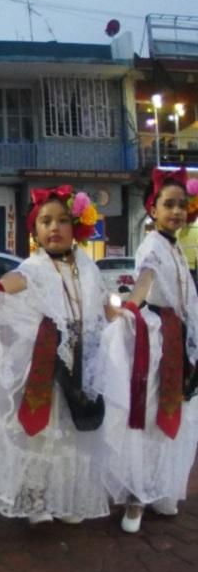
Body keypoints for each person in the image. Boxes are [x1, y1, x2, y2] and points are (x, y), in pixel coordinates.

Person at [0, 186, 114, 524]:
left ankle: (66, 498)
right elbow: (13, 282)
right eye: (45, 221)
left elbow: (101, 303)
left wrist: (122, 315)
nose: (54, 228)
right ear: (36, 230)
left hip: (82, 361)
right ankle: (37, 500)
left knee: (74, 434)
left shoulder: (88, 268)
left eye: (61, 220)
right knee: (44, 436)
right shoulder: (35, 267)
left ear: (76, 226)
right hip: (48, 367)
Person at [101, 167, 198, 533]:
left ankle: (161, 488)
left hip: (180, 339)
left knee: (176, 416)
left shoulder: (175, 248)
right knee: (147, 413)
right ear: (152, 209)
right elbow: (146, 279)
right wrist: (130, 306)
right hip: (158, 341)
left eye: (182, 205)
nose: (176, 211)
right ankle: (135, 497)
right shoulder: (152, 247)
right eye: (168, 204)